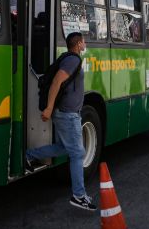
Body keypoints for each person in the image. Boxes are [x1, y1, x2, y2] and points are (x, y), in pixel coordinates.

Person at [25, 32, 97, 212]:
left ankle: (29, 155)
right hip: (67, 114)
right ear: (79, 43)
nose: (84, 44)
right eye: (83, 42)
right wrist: (49, 108)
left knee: (64, 148)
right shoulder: (73, 60)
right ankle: (79, 196)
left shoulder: (69, 58)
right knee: (77, 153)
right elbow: (57, 82)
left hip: (69, 114)